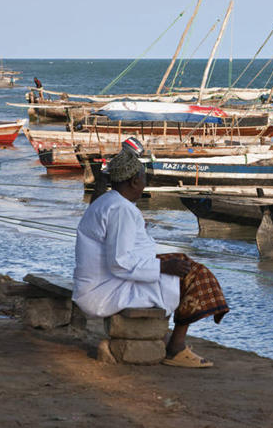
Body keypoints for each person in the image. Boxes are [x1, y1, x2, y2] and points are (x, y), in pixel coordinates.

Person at [72, 149, 228, 368]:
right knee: (193, 275)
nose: (145, 184)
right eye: (144, 179)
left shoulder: (108, 201)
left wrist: (163, 262)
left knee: (183, 262)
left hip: (104, 281)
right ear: (135, 181)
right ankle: (176, 348)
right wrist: (164, 267)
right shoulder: (121, 210)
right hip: (105, 290)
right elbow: (119, 262)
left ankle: (168, 340)